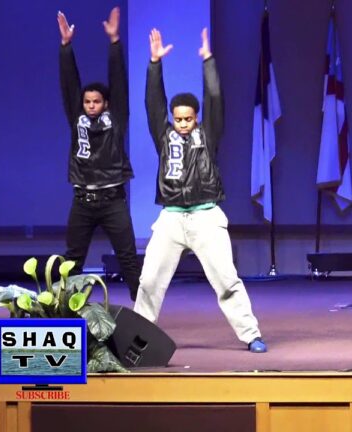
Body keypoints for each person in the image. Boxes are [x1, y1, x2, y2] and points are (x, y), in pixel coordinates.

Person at [133, 28, 267, 353]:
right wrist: (154, 64)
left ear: (196, 118)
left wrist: (208, 61)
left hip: (206, 216)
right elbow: (153, 104)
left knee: (226, 279)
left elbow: (215, 99)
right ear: (172, 118)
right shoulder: (163, 136)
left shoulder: (208, 135)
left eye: (188, 119)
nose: (182, 123)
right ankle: (136, 339)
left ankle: (251, 334)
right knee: (149, 281)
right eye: (178, 119)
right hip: (171, 218)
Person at [58, 8, 140, 301]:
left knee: (128, 257)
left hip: (113, 200)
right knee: (72, 259)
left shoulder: (116, 119)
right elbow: (69, 86)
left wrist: (115, 42)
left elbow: (118, 84)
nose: (91, 105)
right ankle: (65, 312)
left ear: (106, 103)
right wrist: (66, 47)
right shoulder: (77, 118)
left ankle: (144, 311)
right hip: (82, 200)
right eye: (87, 101)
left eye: (97, 101)